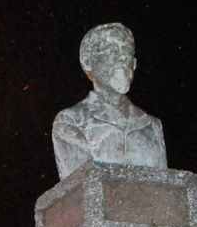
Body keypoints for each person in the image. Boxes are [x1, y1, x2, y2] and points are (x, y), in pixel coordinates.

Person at [51, 22, 168, 179]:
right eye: (112, 50)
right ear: (88, 62)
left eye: (127, 52)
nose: (122, 57)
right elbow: (82, 188)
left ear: (134, 64)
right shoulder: (72, 121)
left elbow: (163, 188)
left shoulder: (152, 126)